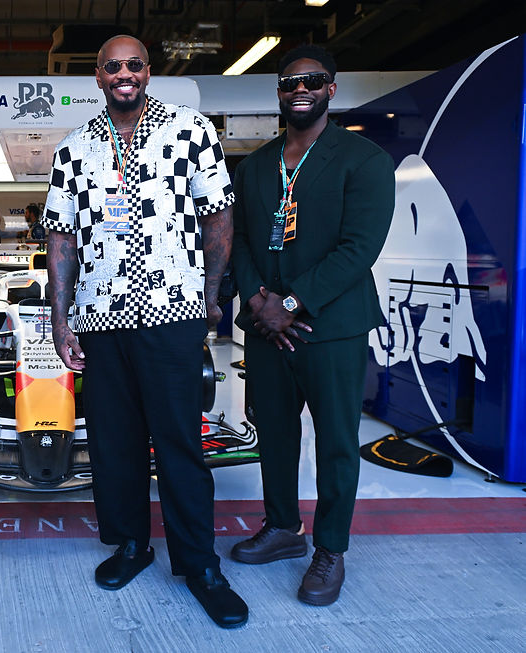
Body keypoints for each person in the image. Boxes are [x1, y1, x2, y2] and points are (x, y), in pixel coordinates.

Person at [43, 35, 247, 629]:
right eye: (113, 67)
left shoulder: (191, 130)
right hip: (100, 318)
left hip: (171, 311)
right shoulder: (75, 148)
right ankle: (131, 544)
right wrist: (60, 320)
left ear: (148, 73)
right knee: (114, 442)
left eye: (134, 65)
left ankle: (200, 564)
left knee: (180, 441)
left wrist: (211, 296)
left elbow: (218, 214)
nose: (124, 74)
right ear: (98, 77)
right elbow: (59, 237)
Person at [229, 44, 395, 606]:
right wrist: (258, 301)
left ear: (330, 89)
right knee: (272, 432)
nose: (300, 88)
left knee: (337, 442)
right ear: (278, 93)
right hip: (266, 326)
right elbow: (244, 242)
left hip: (331, 328)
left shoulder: (362, 159)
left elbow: (359, 249)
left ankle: (330, 549)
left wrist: (291, 305)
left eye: (313, 80)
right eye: (289, 82)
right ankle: (282, 529)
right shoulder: (255, 165)